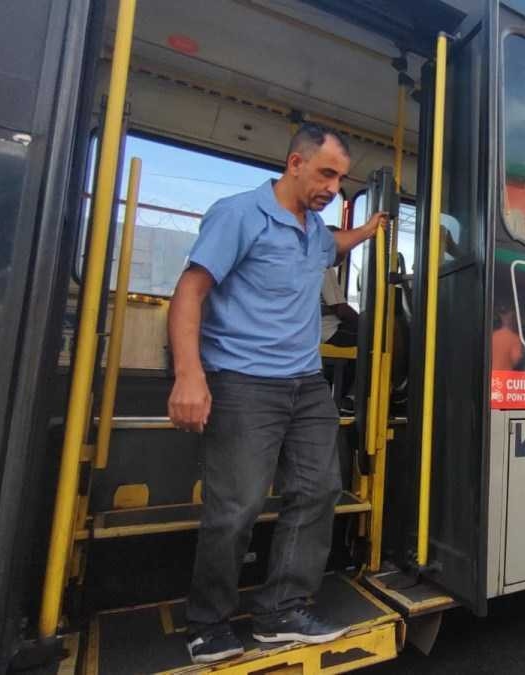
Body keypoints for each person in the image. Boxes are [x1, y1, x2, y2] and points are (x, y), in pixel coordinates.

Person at [167, 123, 387, 664]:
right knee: (237, 505)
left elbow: (333, 244)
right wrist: (189, 375)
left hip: (305, 384)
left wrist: (368, 231)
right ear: (294, 163)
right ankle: (208, 623)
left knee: (318, 489)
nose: (335, 188)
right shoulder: (238, 214)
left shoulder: (313, 231)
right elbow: (189, 292)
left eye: (341, 179)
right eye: (326, 174)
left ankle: (280, 611)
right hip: (241, 380)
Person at [320, 227, 359, 348]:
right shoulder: (324, 266)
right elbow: (340, 309)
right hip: (328, 331)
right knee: (373, 339)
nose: (346, 253)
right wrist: (364, 323)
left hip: (311, 330)